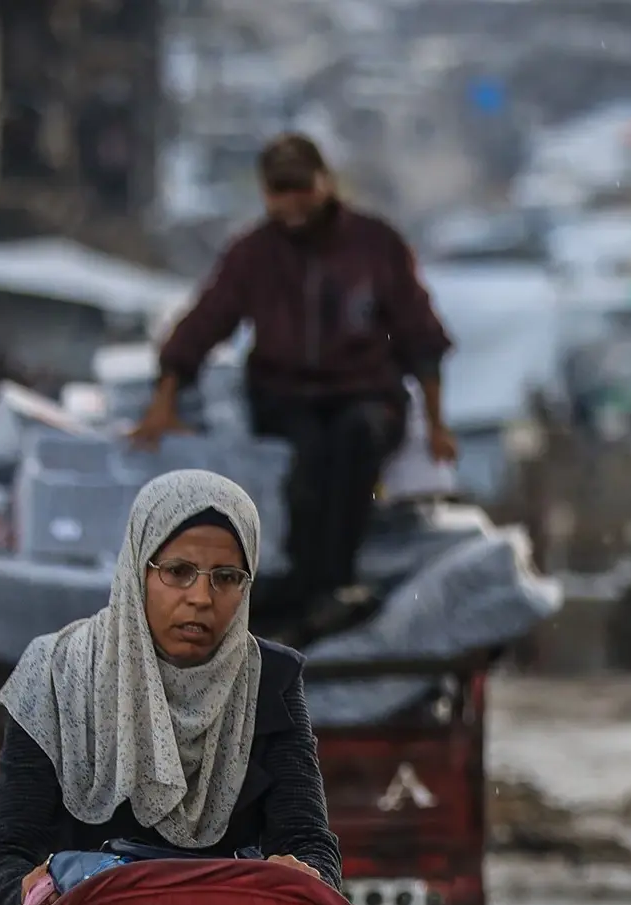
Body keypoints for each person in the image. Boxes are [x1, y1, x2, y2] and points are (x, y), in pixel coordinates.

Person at [0, 470, 341, 905]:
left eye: (226, 577)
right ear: (137, 568)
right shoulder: (57, 672)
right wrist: (35, 901)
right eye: (178, 572)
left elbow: (308, 840)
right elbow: (4, 856)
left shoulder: (269, 681)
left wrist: (306, 878)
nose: (201, 598)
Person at [129, 133, 457, 635]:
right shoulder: (254, 254)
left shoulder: (376, 245)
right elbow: (204, 323)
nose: (292, 202)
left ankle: (333, 586)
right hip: (285, 396)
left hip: (366, 394)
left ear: (326, 182)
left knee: (353, 441)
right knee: (305, 460)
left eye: (301, 187)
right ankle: (306, 590)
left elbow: (421, 336)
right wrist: (163, 400)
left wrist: (436, 423)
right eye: (279, 190)